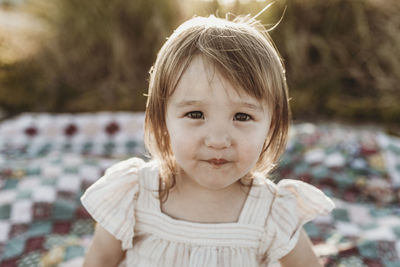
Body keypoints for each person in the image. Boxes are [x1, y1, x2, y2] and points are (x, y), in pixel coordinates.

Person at [81, 13, 335, 267]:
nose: (217, 140)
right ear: (162, 119)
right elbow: (99, 261)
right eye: (195, 114)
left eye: (242, 116)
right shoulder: (136, 194)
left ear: (271, 124)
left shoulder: (272, 213)